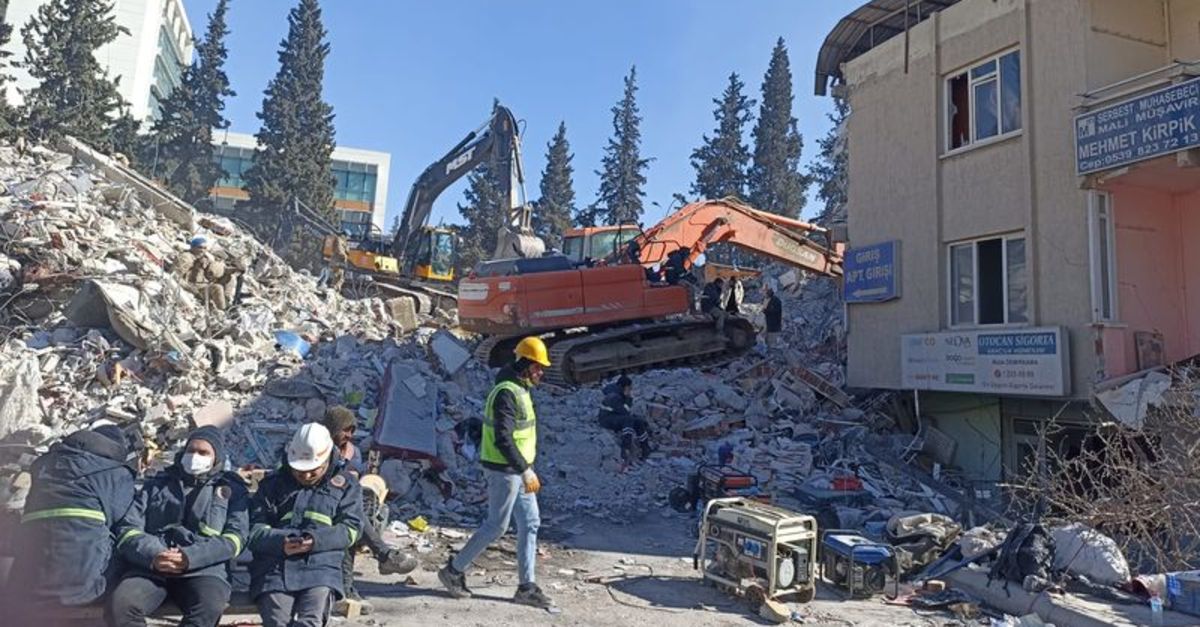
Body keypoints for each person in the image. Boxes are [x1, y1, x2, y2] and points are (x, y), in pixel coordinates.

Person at [438, 337, 554, 609]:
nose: (541, 373)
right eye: (537, 367)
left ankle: (526, 586)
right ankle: (453, 571)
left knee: (531, 522)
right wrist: (525, 470)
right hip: (505, 470)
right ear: (525, 365)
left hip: (518, 469)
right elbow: (503, 438)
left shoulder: (519, 388)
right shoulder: (506, 392)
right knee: (496, 526)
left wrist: (526, 468)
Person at [108, 426, 249, 627]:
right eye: (191, 450)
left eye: (203, 453)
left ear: (216, 458)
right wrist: (154, 554)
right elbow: (128, 528)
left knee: (208, 607)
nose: (195, 456)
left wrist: (189, 557)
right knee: (123, 605)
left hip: (205, 569)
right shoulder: (157, 484)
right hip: (153, 568)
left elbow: (236, 538)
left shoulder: (230, 489)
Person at [7, 424, 139, 618]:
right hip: (82, 589)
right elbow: (123, 519)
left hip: (27, 583)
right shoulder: (116, 473)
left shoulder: (43, 466)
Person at [249, 423, 364, 627]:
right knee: (277, 622)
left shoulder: (346, 486)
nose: (306, 476)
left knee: (310, 622)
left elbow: (351, 529)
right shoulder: (272, 485)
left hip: (321, 568)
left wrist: (315, 541)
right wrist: (279, 541)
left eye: (313, 470)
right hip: (274, 569)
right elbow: (253, 530)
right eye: (300, 471)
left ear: (328, 458)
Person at [320, 406, 417, 609]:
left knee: (357, 517)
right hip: (318, 504)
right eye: (343, 430)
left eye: (351, 430)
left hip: (343, 503)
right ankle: (382, 555)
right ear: (331, 429)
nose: (348, 435)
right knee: (350, 518)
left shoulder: (352, 452)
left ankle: (350, 587)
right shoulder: (321, 448)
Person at [597, 375, 652, 464]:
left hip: (615, 415)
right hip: (606, 419)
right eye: (629, 388)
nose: (631, 389)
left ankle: (645, 447)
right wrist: (628, 398)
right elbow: (625, 411)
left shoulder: (619, 392)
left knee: (638, 422)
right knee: (628, 420)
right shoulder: (614, 396)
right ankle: (626, 448)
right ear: (625, 387)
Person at [174, 237, 237, 311]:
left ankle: (226, 301)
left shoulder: (203, 258)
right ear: (193, 247)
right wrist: (191, 289)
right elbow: (176, 275)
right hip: (195, 287)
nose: (202, 250)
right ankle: (224, 311)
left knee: (230, 278)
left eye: (205, 248)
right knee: (217, 288)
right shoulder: (186, 258)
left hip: (204, 283)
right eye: (200, 247)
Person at [763, 286, 783, 350]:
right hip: (771, 323)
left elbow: (773, 311)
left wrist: (765, 311)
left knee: (772, 341)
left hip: (774, 324)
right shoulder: (771, 300)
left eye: (767, 293)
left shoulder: (775, 301)